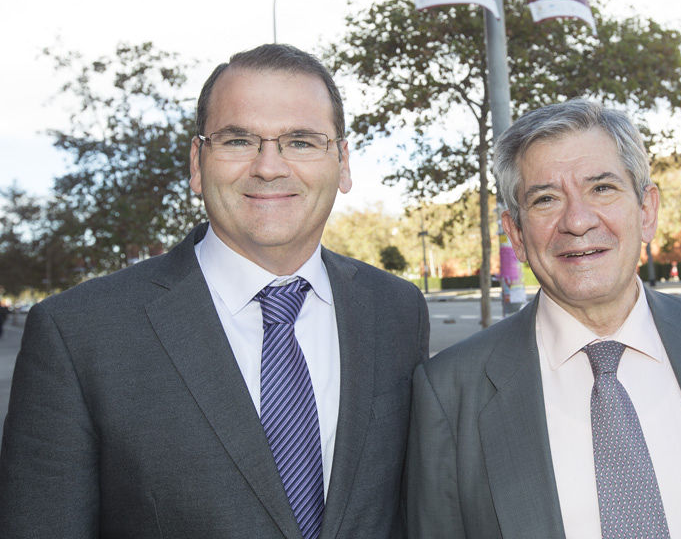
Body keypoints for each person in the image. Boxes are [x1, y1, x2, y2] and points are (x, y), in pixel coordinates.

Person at [0, 44, 430, 538]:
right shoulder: (78, 335)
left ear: (343, 162)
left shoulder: (397, 311)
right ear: (198, 164)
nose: (269, 167)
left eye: (302, 141)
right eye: (239, 140)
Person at [404, 99, 681, 539]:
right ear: (516, 233)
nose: (577, 220)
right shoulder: (451, 392)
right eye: (546, 198)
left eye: (602, 188)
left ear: (646, 211)